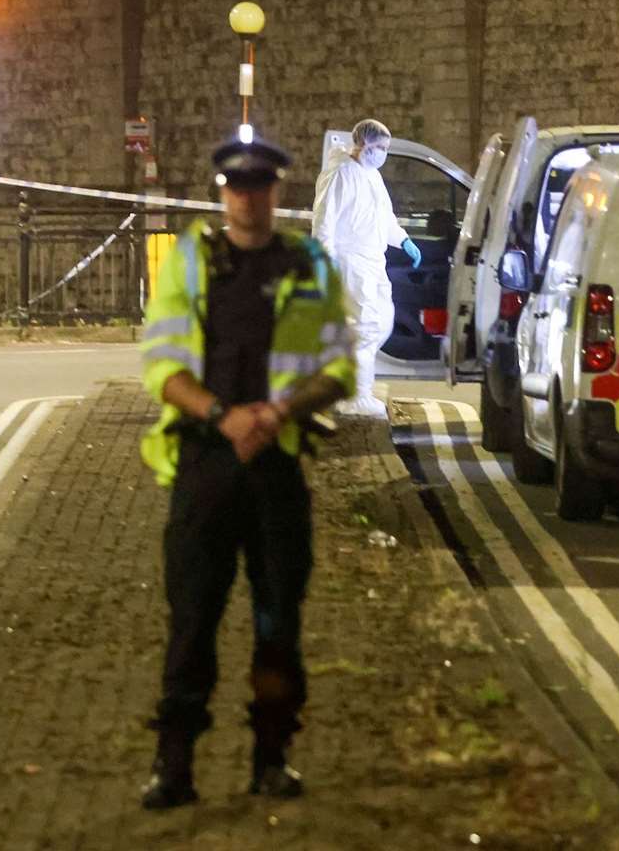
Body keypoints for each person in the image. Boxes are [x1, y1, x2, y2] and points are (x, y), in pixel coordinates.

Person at [137, 134, 355, 809]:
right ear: (221, 193)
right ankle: (174, 767)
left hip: (276, 469)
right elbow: (161, 369)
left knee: (276, 622)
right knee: (192, 621)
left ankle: (271, 758)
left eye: (259, 187)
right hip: (204, 464)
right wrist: (226, 416)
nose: (248, 198)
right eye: (236, 188)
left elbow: (339, 368)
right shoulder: (192, 263)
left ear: (276, 191)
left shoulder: (310, 263)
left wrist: (279, 411)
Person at [311, 118, 420, 418]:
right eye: (379, 147)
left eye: (386, 148)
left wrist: (404, 240)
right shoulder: (341, 173)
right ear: (363, 144)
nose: (383, 153)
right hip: (349, 261)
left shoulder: (371, 176)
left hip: (372, 260)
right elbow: (324, 222)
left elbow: (383, 219)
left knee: (381, 320)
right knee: (364, 325)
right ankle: (356, 396)